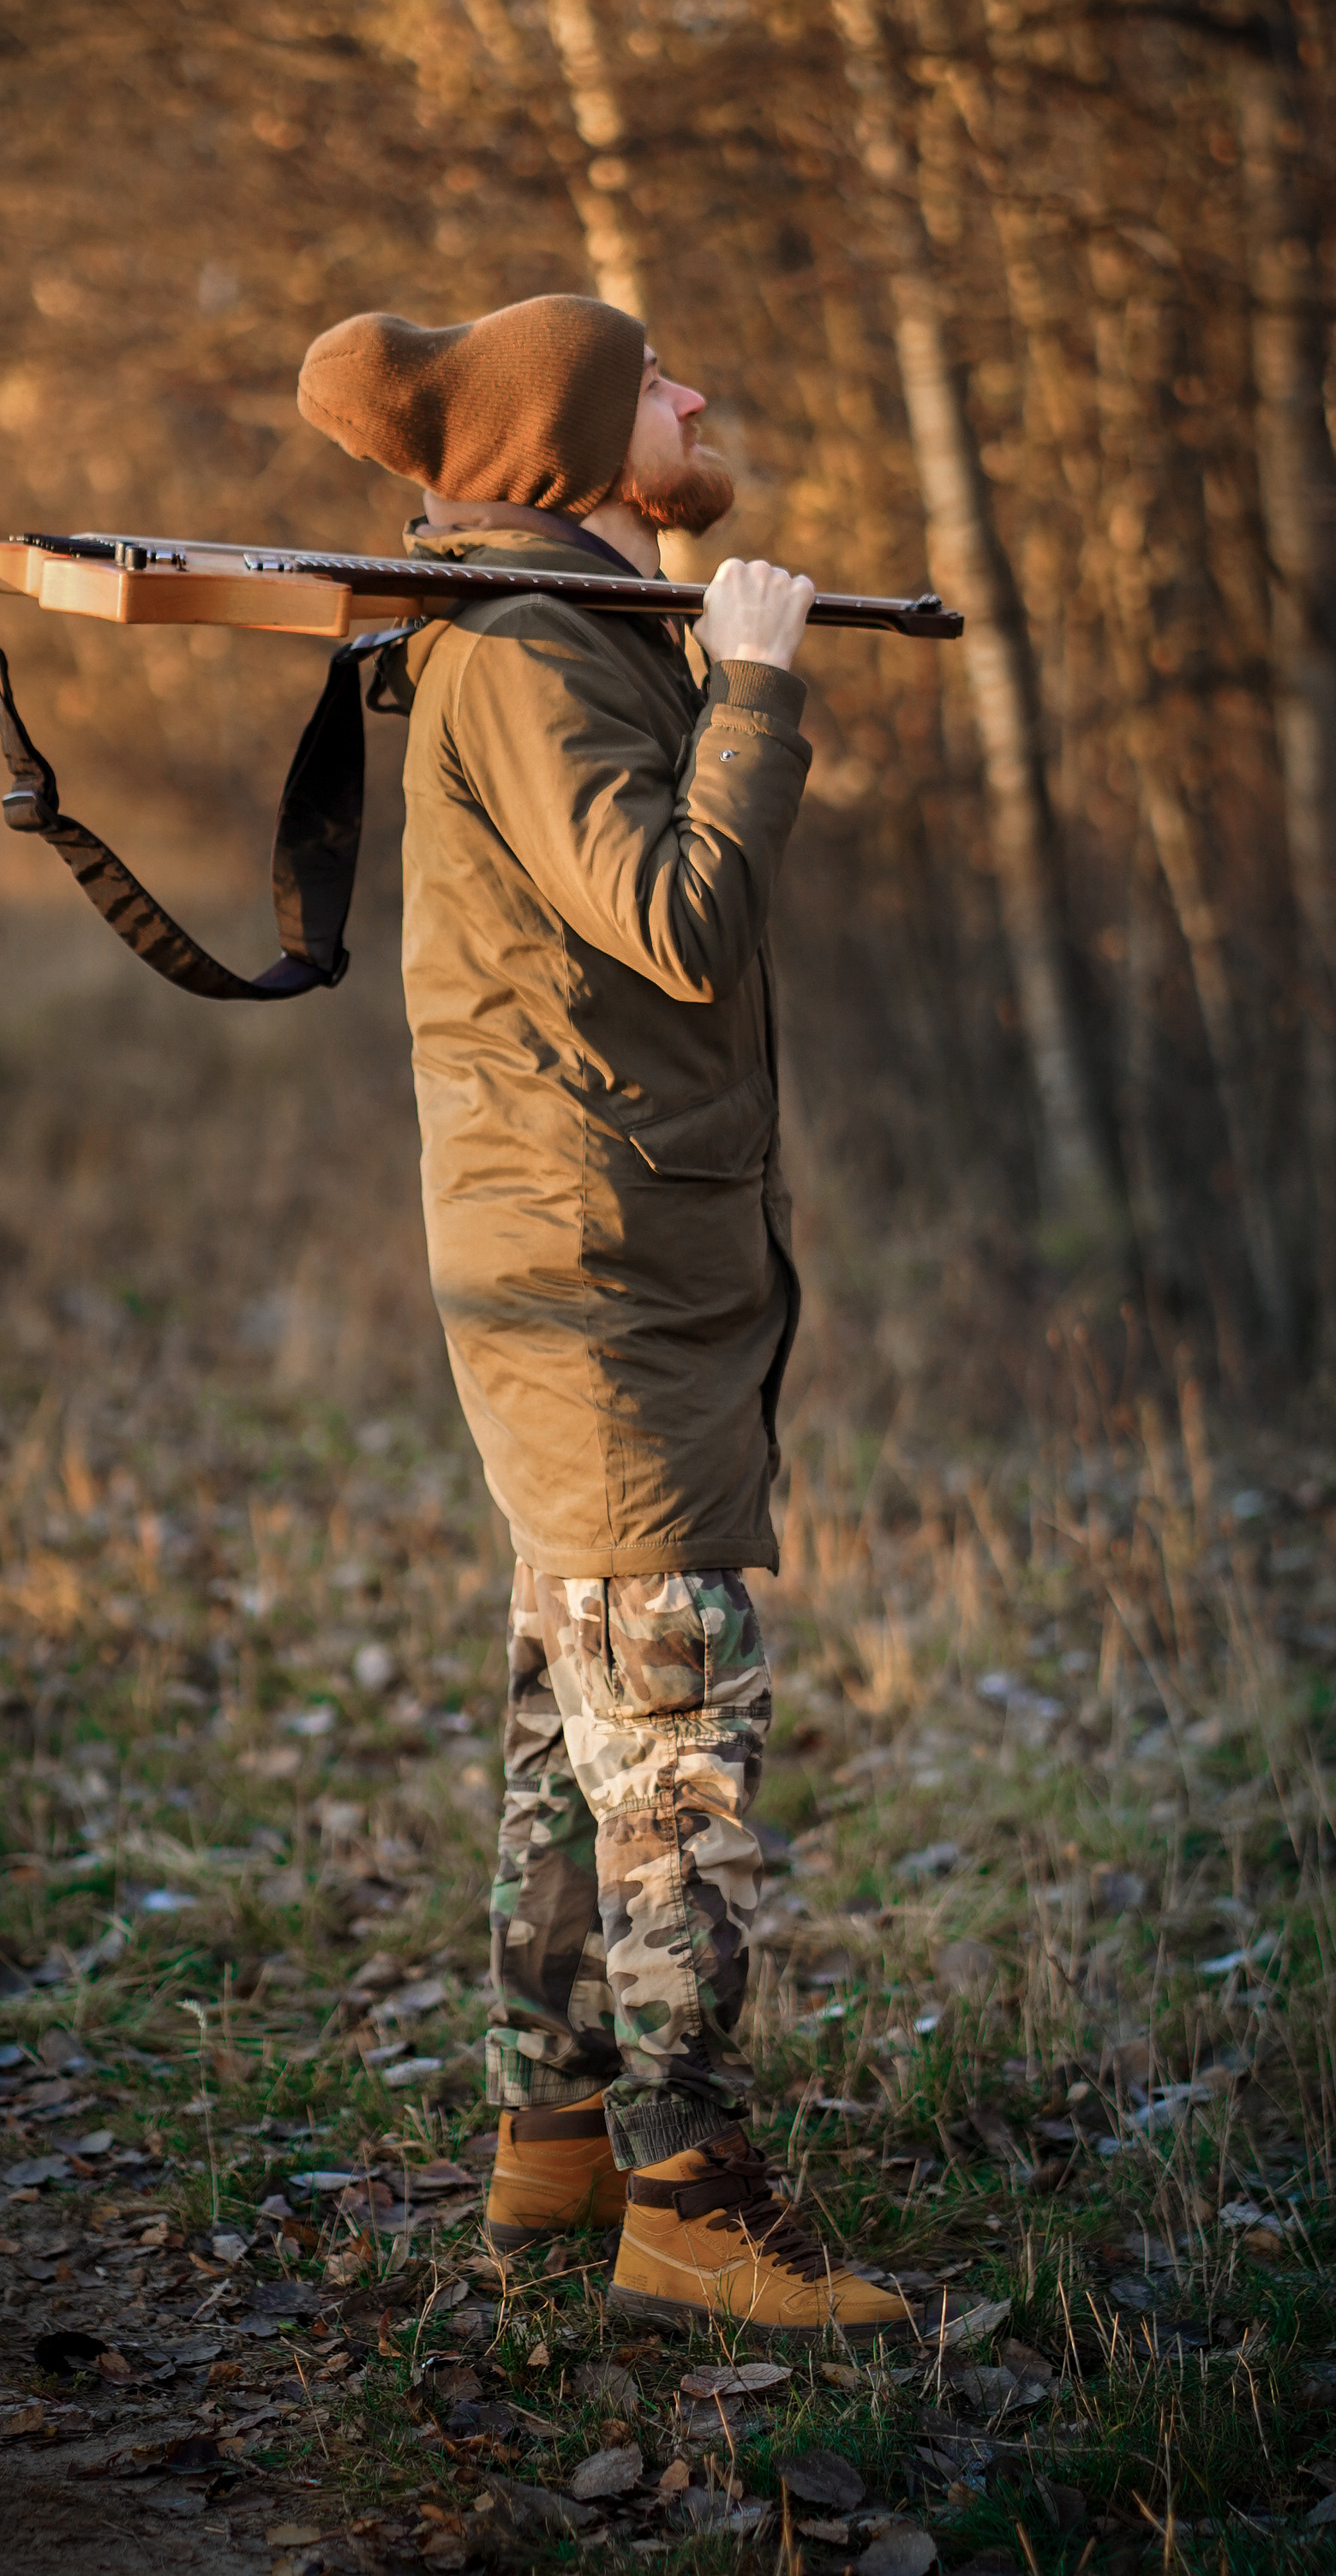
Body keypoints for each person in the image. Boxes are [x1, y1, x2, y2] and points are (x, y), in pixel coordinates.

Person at [297, 293, 908, 2331]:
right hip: (590, 1280)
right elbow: (673, 914)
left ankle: (554, 2145)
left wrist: (697, 652)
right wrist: (749, 691)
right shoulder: (545, 652)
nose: (701, 391)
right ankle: (692, 2202)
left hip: (605, 1259)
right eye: (659, 380)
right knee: (675, 1731)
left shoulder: (564, 629)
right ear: (573, 444)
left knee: (583, 1728)